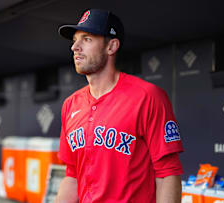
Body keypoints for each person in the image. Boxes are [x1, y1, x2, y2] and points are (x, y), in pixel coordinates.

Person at [55, 9, 184, 203]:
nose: (75, 47)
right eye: (75, 40)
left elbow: (167, 174)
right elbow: (72, 176)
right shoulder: (70, 104)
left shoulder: (148, 97)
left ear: (112, 46)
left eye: (87, 39)